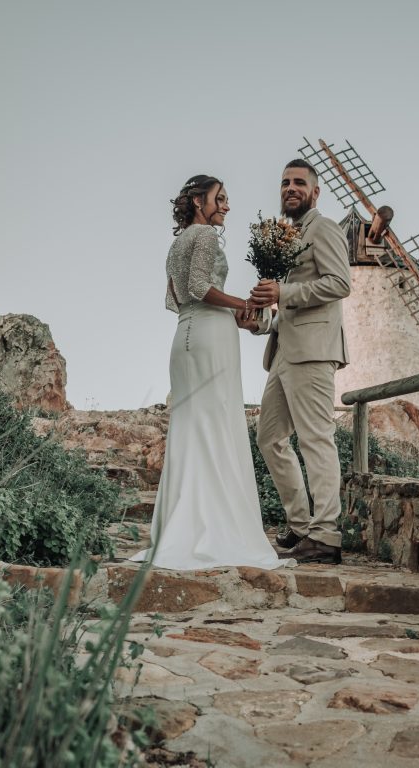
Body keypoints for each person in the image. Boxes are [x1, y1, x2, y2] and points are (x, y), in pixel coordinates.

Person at [131, 175, 292, 570]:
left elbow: (177, 296)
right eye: (220, 198)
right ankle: (216, 528)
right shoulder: (204, 237)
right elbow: (201, 286)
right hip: (210, 335)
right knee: (218, 425)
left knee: (191, 428)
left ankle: (180, 528)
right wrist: (244, 304)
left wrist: (228, 309)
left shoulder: (175, 244)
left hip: (184, 335)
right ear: (198, 201)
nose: (226, 205)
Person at [240, 159, 352, 564]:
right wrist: (258, 319)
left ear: (315, 191)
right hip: (283, 350)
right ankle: (302, 524)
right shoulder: (285, 236)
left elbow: (341, 283)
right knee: (269, 438)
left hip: (314, 349)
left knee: (315, 438)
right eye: (285, 182)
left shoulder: (325, 229)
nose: (290, 187)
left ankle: (326, 536)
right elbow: (281, 299)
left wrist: (283, 292)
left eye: (299, 182)